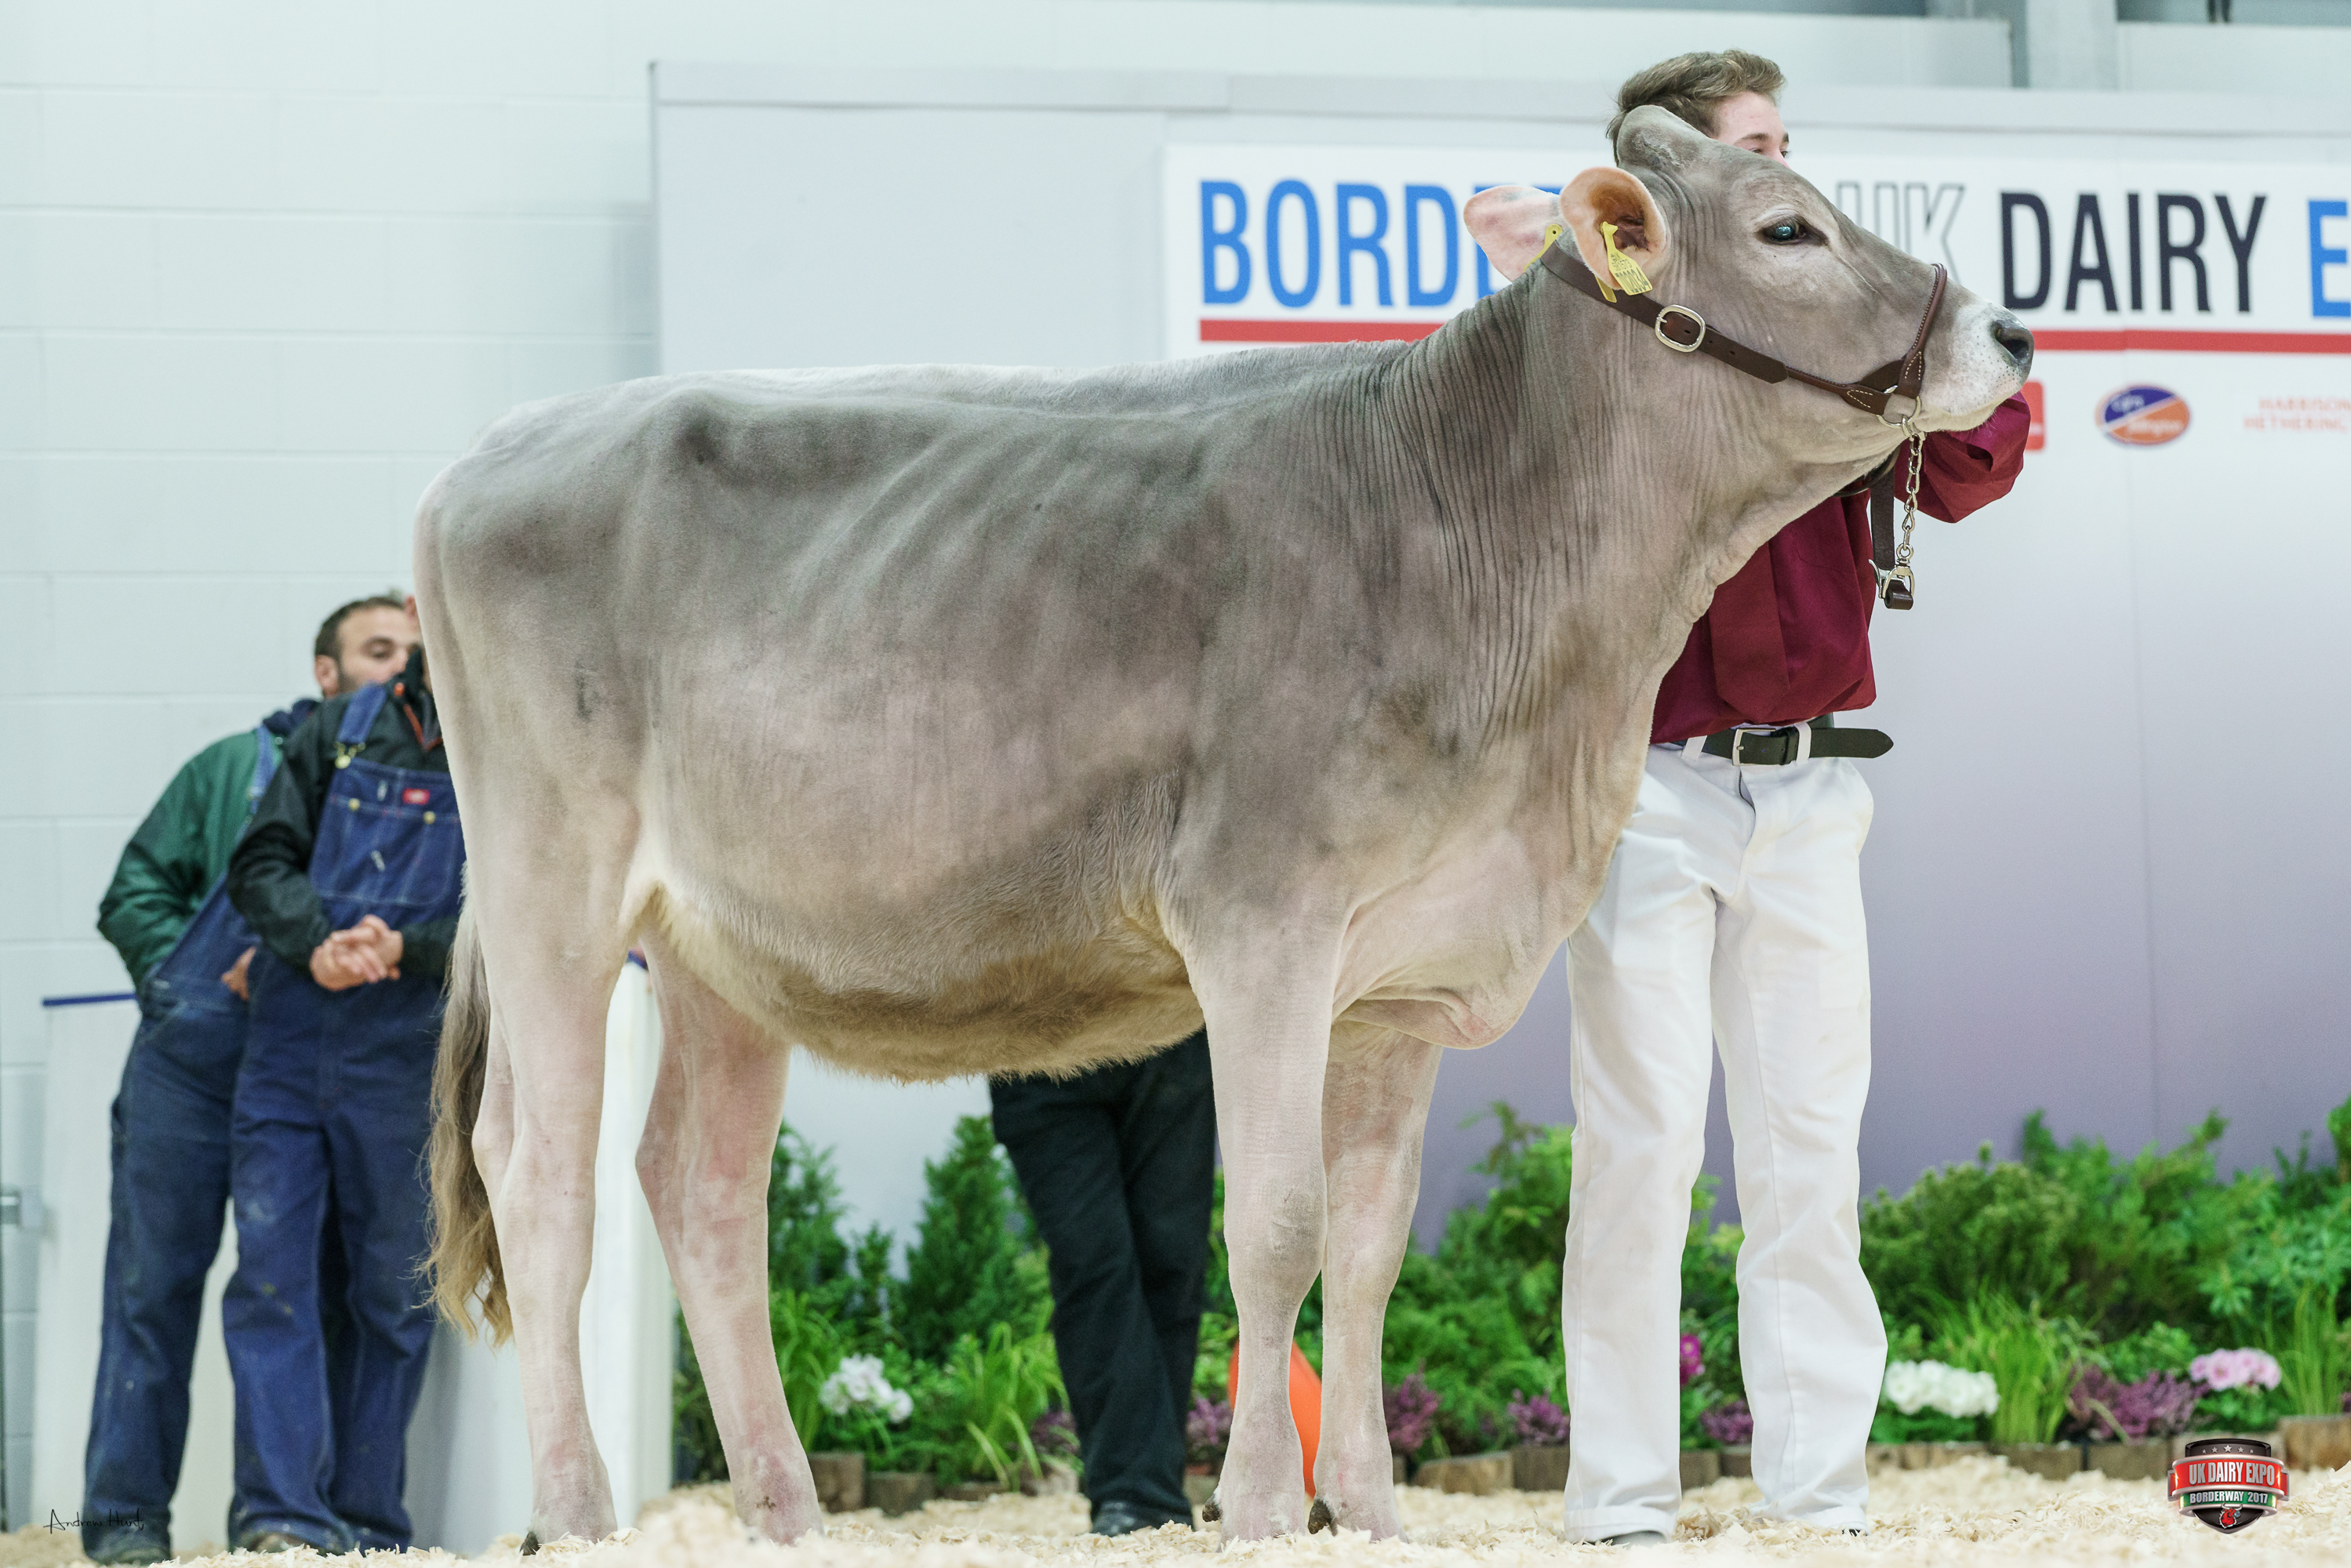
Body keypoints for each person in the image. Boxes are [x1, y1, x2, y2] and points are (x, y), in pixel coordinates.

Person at [1554, 52, 2031, 1547]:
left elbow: (1979, 453)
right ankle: (1620, 1500)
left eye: (1783, 142)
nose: (1784, 167)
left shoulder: (1832, 320)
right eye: (1754, 148)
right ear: (1678, 181)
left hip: (1815, 785)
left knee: (1807, 1154)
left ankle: (1816, 1498)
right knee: (1637, 1151)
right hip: (1644, 787)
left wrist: (1903, 362)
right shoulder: (1607, 335)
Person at [82, 594, 416, 1565]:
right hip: (193, 1072)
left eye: (410, 652)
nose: (398, 667)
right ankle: (124, 1522)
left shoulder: (418, 783)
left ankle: (295, 1523)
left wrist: (288, 959)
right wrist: (180, 985)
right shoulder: (233, 765)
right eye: (377, 649)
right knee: (152, 1291)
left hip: (313, 1069)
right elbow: (133, 888)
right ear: (326, 671)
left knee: (306, 1294)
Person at [221, 617, 464, 1553]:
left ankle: (368, 1521)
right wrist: (315, 939)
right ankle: (280, 1515)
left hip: (406, 1057)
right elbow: (260, 861)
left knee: (395, 1296)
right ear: (422, 605)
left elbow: (518, 909)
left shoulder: (507, 745)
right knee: (272, 1280)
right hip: (289, 1045)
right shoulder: (336, 730)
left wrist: (412, 946)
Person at [990, 1031, 1216, 1536]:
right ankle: (1135, 1495)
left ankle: (1146, 1496)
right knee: (1092, 1267)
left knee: (1172, 1264)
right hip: (1037, 1041)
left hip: (1165, 1031)